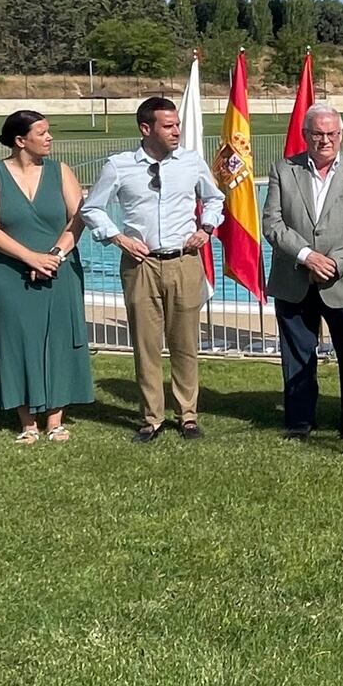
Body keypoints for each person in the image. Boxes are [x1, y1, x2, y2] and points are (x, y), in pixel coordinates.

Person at [81, 95, 224, 442]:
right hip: (140, 265)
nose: (177, 131)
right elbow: (92, 209)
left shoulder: (191, 163)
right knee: (145, 344)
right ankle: (151, 418)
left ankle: (187, 415)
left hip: (184, 262)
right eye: (169, 126)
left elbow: (216, 198)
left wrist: (205, 228)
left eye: (177, 125)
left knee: (185, 343)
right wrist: (118, 238)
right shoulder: (119, 166)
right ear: (146, 128)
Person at [0, 110, 94, 444]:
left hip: (60, 269)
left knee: (58, 339)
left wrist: (54, 255)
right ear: (20, 140)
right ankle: (27, 422)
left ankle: (56, 420)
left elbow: (78, 219)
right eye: (42, 132)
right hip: (10, 272)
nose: (49, 137)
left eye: (49, 131)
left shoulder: (61, 171)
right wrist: (29, 257)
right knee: (17, 341)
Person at [262, 104, 343, 440]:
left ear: (341, 135)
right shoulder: (284, 170)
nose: (325, 140)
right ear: (305, 135)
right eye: (317, 134)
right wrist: (307, 256)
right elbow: (272, 223)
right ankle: (299, 421)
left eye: (331, 134)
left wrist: (332, 263)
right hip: (294, 278)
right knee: (297, 354)